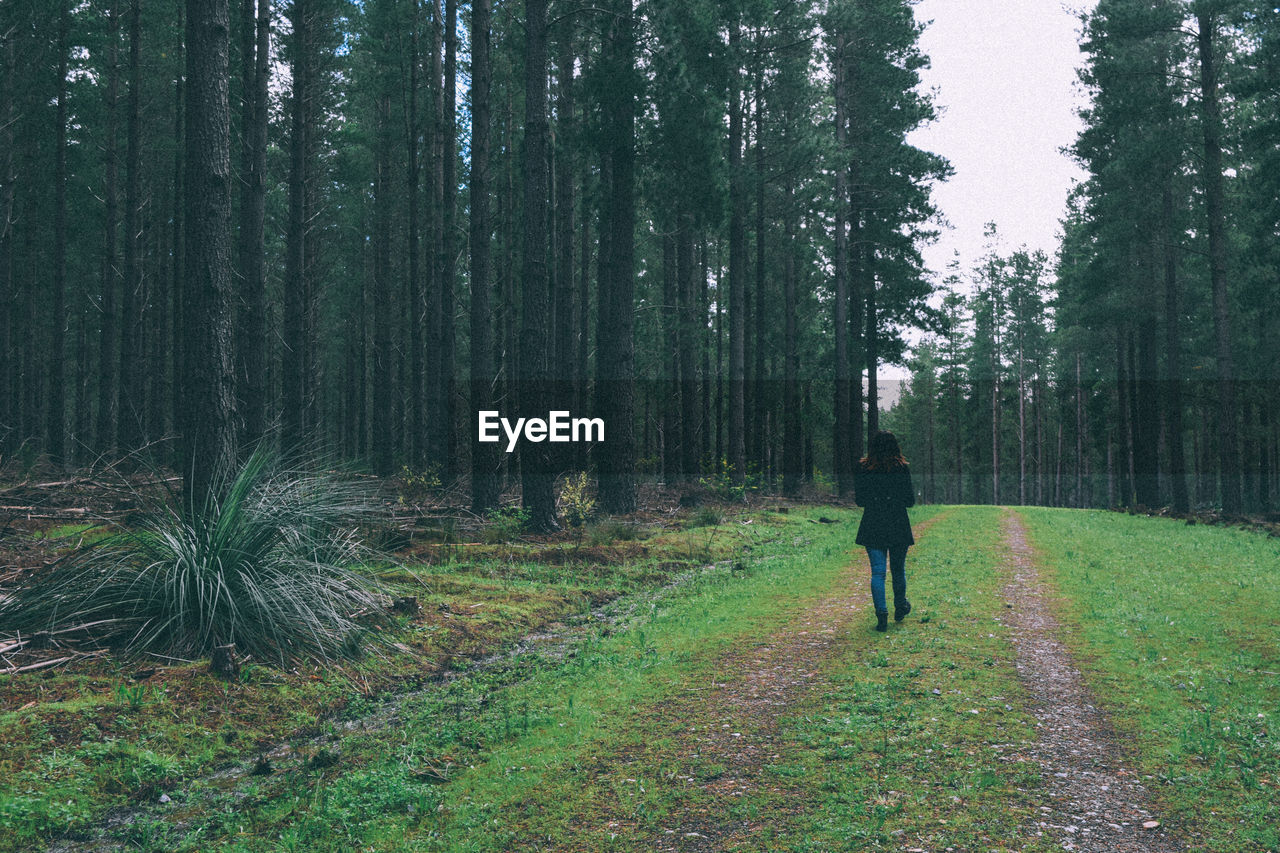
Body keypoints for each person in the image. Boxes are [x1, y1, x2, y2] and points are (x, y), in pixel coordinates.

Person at [853, 430, 916, 632]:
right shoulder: (902, 468)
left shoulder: (863, 468)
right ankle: (900, 606)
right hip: (898, 523)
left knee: (878, 572)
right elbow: (910, 501)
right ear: (895, 446)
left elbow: (860, 500)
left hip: (873, 523)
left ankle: (881, 614)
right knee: (898, 569)